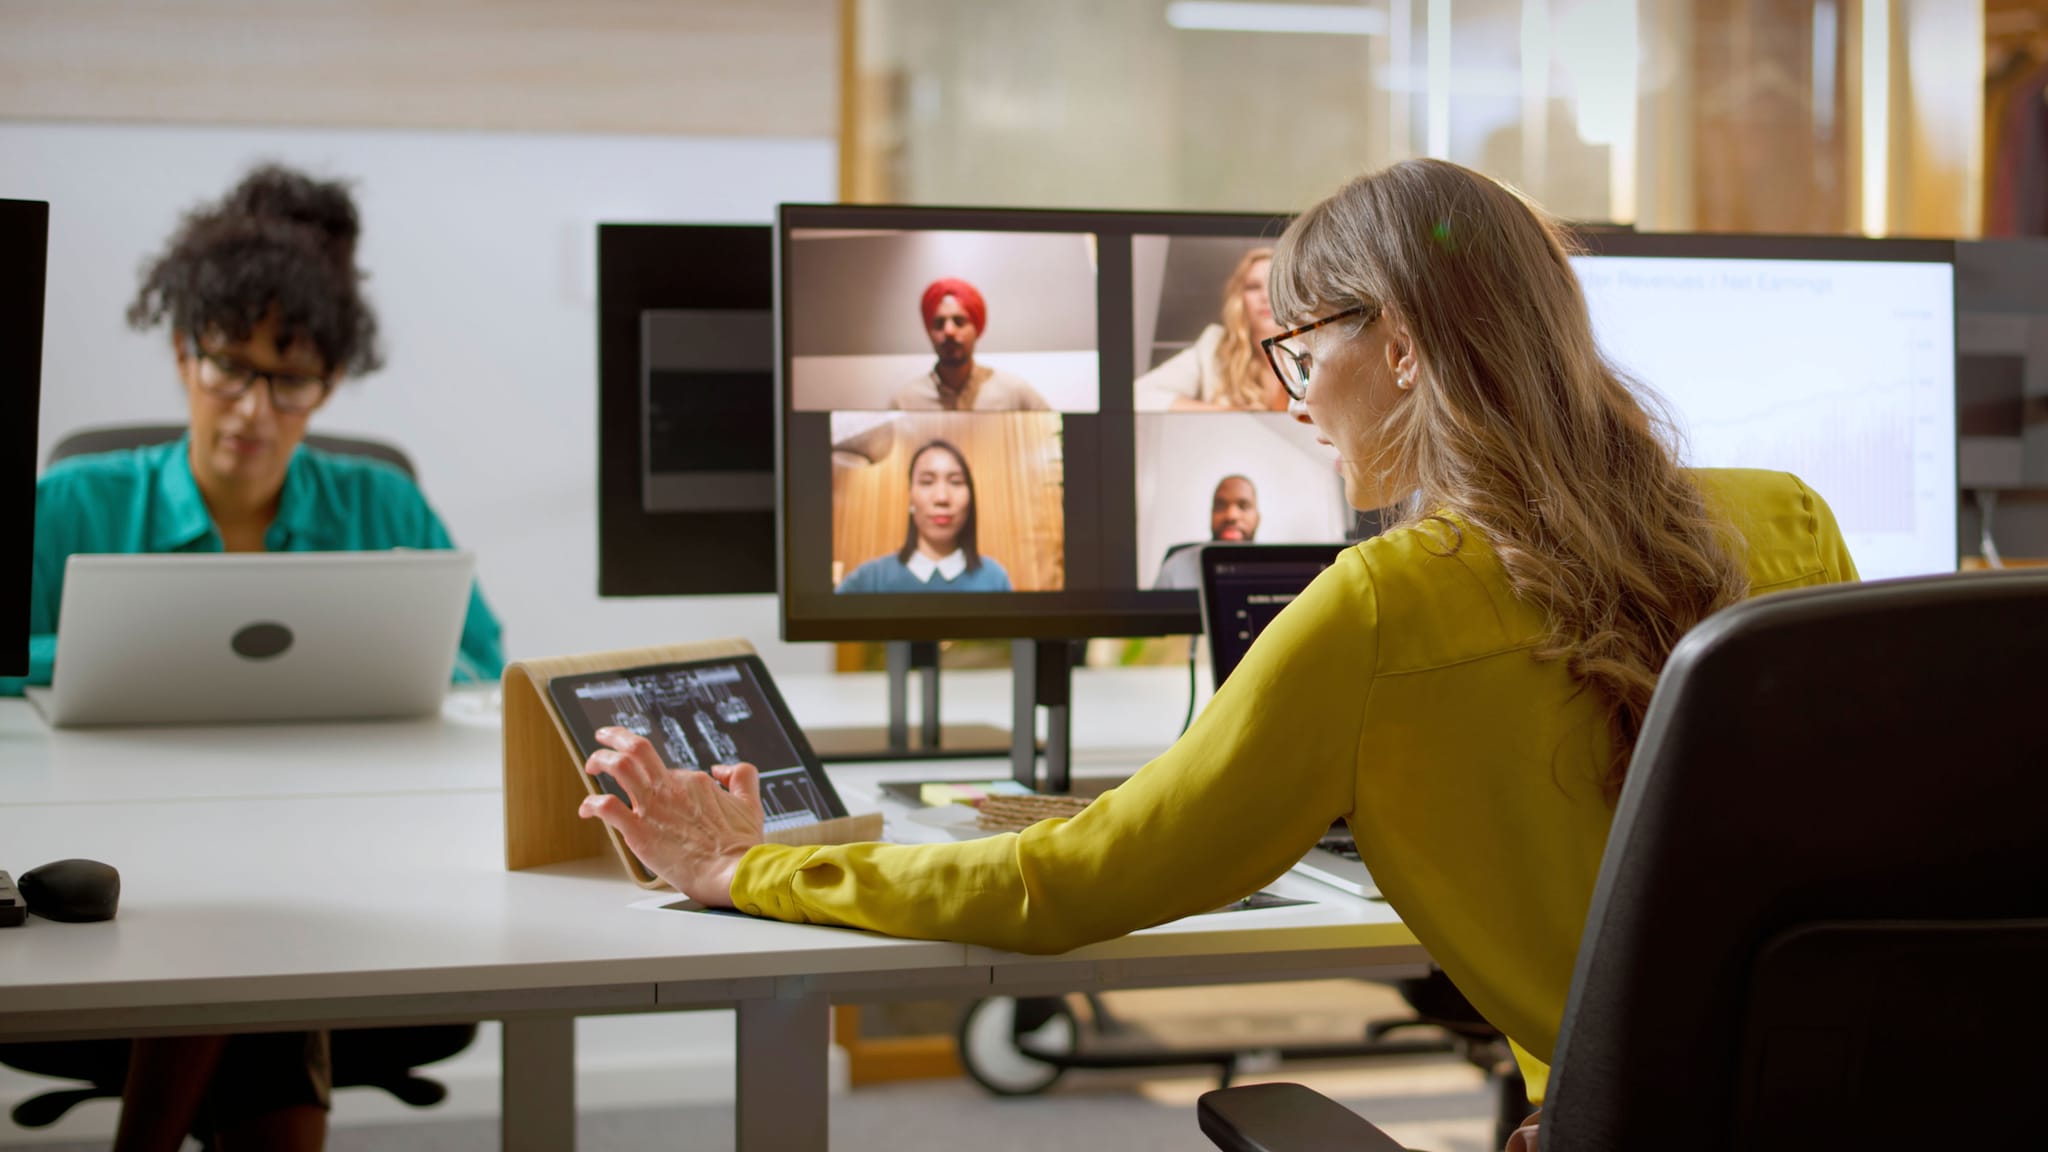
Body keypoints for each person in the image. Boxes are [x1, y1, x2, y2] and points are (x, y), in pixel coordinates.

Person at [576, 160, 1857, 1149]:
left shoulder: (1380, 604)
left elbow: (1063, 889)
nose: (1294, 404)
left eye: (1299, 354)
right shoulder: (1786, 516)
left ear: (1399, 346)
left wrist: (751, 870)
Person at [1, 164, 503, 1151]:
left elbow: (478, 663)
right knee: (253, 924)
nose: (253, 410)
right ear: (185, 355)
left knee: (274, 904)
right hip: (127, 838)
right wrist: (91, 651)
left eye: (291, 380)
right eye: (230, 366)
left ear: (329, 383)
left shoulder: (380, 506)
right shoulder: (71, 504)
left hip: (341, 843)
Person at [836, 439, 1014, 593]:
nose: (942, 498)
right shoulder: (869, 580)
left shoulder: (995, 579)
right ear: (910, 497)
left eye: (955, 482)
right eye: (927, 482)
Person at [1134, 245, 1290, 412]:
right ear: (1239, 298)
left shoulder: (1313, 348)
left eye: (1274, 285)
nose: (1265, 296)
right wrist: (1227, 413)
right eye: (1253, 287)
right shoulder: (1215, 347)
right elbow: (1140, 395)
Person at [889, 277, 1052, 411]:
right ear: (929, 331)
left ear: (976, 328)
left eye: (959, 321)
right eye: (939, 323)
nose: (949, 331)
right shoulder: (905, 402)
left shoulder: (1013, 393)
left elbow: (1057, 438)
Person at [1153, 474, 1260, 590]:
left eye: (1243, 506)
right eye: (1220, 506)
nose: (1231, 515)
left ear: (1257, 519)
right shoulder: (1174, 569)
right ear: (1211, 515)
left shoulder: (1280, 567)